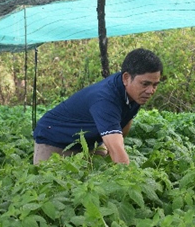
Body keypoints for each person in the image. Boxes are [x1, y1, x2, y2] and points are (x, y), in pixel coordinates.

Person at [33, 48, 163, 164]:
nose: (150, 90)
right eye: (145, 84)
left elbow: (125, 121)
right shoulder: (105, 99)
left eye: (155, 85)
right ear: (126, 78)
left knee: (99, 176)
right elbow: (117, 151)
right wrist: (135, 183)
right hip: (55, 138)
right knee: (53, 185)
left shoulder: (135, 92)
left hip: (90, 140)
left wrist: (116, 149)